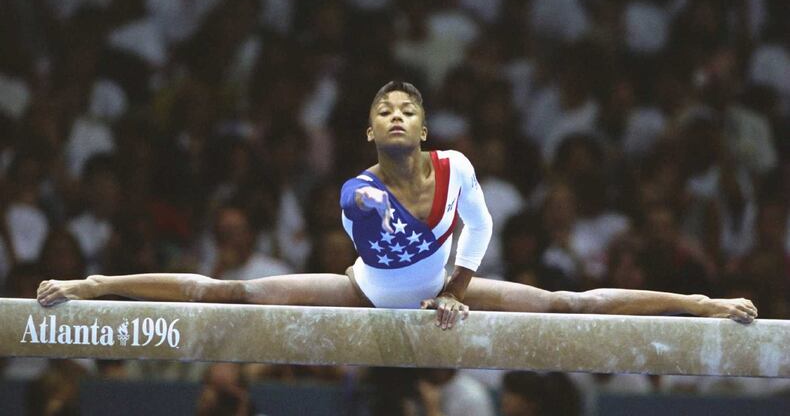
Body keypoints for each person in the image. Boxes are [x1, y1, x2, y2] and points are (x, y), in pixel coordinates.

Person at [36, 81, 758, 329]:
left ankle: (697, 302)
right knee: (232, 293)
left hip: (449, 293)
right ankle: (95, 284)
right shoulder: (359, 192)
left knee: (570, 308)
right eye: (384, 109)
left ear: (423, 124)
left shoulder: (458, 166)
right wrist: (433, 296)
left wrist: (454, 292)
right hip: (365, 292)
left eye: (408, 108)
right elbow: (390, 258)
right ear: (370, 129)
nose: (396, 116)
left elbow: (480, 227)